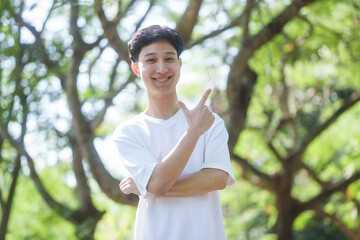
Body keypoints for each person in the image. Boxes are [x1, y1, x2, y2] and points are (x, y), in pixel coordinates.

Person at [113, 25, 235, 240]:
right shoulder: (129, 132)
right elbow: (158, 183)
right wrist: (193, 132)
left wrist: (146, 186)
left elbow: (217, 178)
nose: (161, 68)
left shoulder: (210, 121)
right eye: (151, 60)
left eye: (169, 59)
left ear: (179, 64)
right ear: (136, 69)